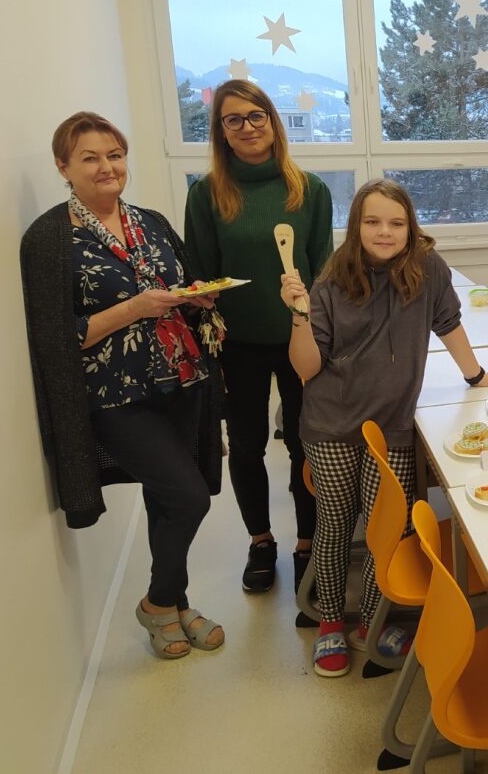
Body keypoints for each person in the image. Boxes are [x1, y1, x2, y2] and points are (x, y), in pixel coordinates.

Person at [281, 180, 488, 677]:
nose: (384, 232)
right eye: (372, 222)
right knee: (336, 522)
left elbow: (448, 323)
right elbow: (306, 368)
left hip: (394, 424)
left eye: (396, 223)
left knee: (391, 529)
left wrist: (474, 375)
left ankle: (374, 620)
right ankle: (330, 620)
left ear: (410, 226)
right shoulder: (331, 280)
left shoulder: (428, 268)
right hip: (332, 425)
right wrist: (299, 317)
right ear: (355, 225)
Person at [21, 111, 226, 659]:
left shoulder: (150, 222)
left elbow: (174, 288)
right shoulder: (48, 238)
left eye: (114, 154)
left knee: (167, 499)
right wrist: (134, 308)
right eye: (89, 157)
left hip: (178, 380)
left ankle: (176, 603)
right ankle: (157, 604)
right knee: (187, 496)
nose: (107, 167)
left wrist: (194, 297)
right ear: (63, 167)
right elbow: (55, 337)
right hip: (114, 396)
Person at [184, 79, 334, 597]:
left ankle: (308, 542)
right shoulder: (206, 194)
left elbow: (323, 272)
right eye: (234, 119)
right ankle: (261, 541)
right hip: (237, 345)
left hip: (300, 340)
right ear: (221, 131)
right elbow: (201, 275)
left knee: (305, 444)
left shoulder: (309, 189)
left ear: (272, 121)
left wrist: (317, 325)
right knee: (247, 449)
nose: (247, 127)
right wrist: (205, 314)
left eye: (256, 116)